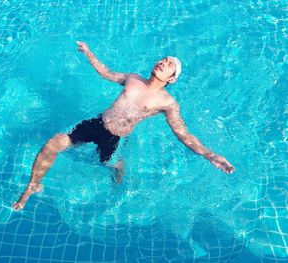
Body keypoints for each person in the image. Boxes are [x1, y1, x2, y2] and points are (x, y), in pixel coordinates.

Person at [12, 41, 235, 211]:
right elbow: (105, 72)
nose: (162, 63)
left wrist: (209, 155)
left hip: (114, 139)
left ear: (172, 78)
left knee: (106, 162)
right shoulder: (133, 78)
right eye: (163, 59)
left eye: (168, 65)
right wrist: (88, 52)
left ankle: (119, 166)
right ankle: (33, 185)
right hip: (97, 123)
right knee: (53, 143)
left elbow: (182, 133)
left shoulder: (167, 103)